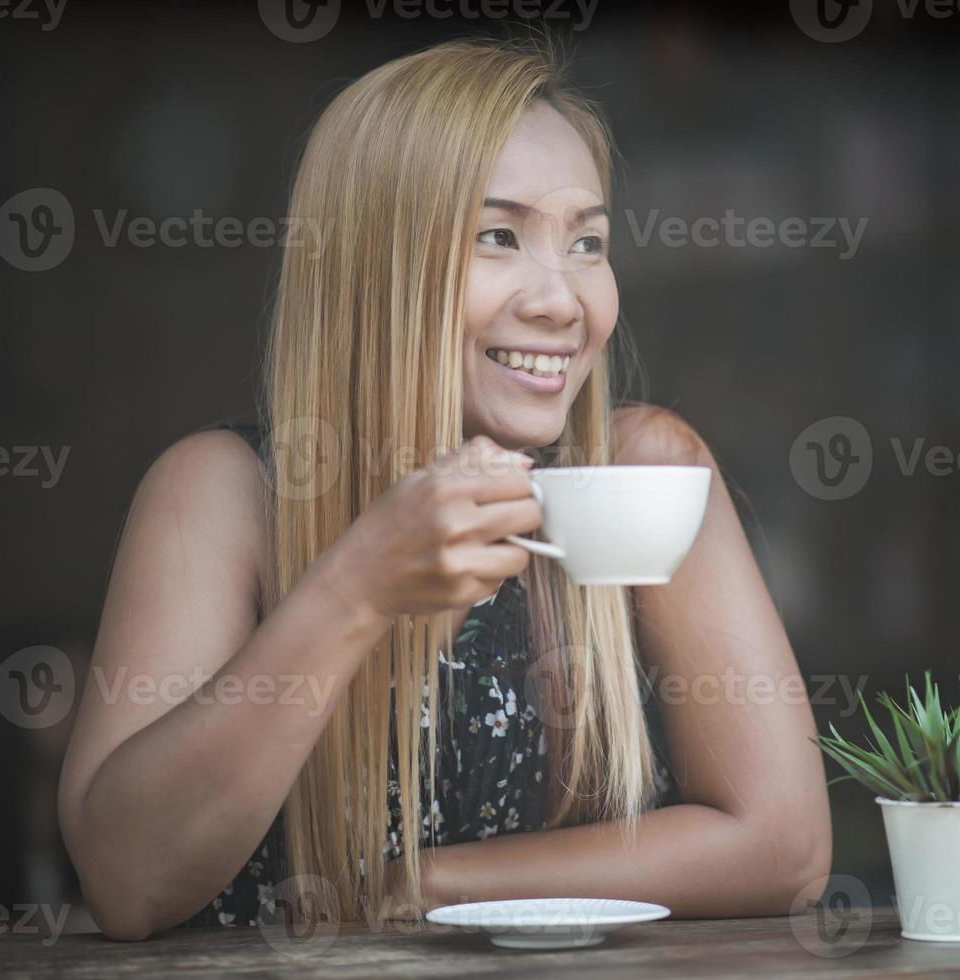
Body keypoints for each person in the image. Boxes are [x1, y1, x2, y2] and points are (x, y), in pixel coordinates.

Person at [57, 37, 830, 939]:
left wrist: (420, 884)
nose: (561, 300)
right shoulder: (223, 495)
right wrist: (354, 588)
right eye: (498, 236)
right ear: (370, 266)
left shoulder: (639, 475)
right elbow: (130, 880)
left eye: (586, 242)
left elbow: (783, 848)